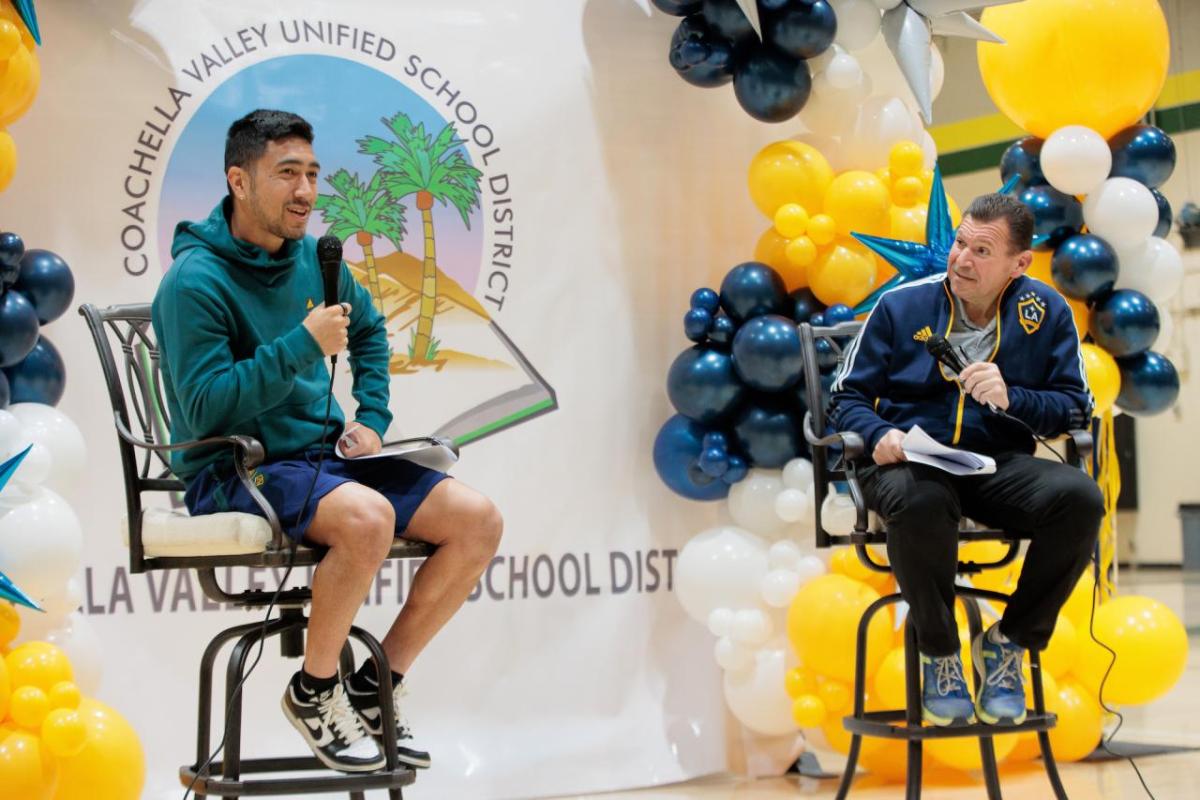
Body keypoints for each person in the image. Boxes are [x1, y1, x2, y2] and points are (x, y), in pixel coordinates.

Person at [151, 109, 503, 772]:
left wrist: (372, 417)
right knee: (367, 521)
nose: (306, 190)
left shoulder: (320, 259)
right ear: (239, 180)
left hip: (319, 460)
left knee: (477, 521)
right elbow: (202, 411)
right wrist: (298, 348)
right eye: (287, 173)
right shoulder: (194, 283)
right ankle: (315, 691)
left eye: (312, 173)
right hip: (231, 468)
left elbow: (366, 332)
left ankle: (376, 685)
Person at [827, 193, 1103, 727]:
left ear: (1019, 263)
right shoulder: (901, 305)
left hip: (993, 465)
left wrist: (1014, 397)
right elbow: (846, 398)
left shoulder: (1045, 313)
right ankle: (941, 653)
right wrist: (877, 431)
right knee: (920, 499)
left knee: (1080, 498)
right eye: (960, 242)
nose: (961, 259)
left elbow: (1075, 408)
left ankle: (1009, 643)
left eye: (981, 250)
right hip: (908, 462)